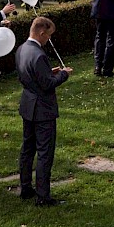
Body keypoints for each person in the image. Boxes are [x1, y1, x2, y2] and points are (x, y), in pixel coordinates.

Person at [16, 16, 72, 206]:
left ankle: (25, 187)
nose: (49, 39)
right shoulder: (39, 55)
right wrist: (63, 75)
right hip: (42, 109)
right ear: (41, 33)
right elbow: (47, 85)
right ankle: (43, 196)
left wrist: (50, 71)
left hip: (27, 105)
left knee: (27, 149)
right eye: (48, 35)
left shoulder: (22, 49)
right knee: (45, 152)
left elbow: (31, 75)